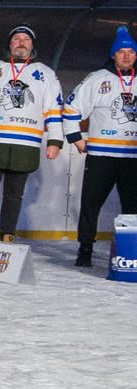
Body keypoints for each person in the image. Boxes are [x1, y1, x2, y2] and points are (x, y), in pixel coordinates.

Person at [0, 24, 65, 258]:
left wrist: (55, 141)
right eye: (17, 38)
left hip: (26, 144)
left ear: (32, 44)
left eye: (26, 39)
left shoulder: (46, 74)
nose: (21, 43)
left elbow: (53, 110)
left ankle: (7, 239)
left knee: (14, 196)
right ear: (10, 43)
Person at [65, 27, 137, 267]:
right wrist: (75, 137)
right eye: (121, 52)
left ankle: (131, 250)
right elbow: (71, 108)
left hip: (133, 157)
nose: (126, 56)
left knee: (133, 208)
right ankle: (85, 248)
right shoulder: (97, 79)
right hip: (101, 155)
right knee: (91, 204)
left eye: (131, 52)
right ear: (113, 54)